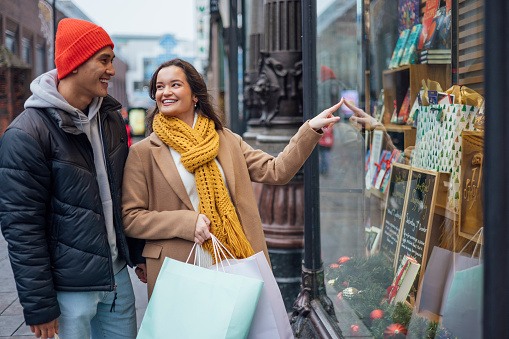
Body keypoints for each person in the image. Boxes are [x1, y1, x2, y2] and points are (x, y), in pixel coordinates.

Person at [121, 58, 344, 298]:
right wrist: (186, 223)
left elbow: (277, 170)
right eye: (159, 87)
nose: (165, 92)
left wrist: (310, 130)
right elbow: (131, 217)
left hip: (232, 259)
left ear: (196, 94)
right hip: (176, 266)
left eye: (175, 85)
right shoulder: (143, 152)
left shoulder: (226, 140)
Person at [0, 18, 140, 339]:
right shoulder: (26, 134)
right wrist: (39, 305)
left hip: (118, 281)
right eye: (103, 61)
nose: (112, 71)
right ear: (75, 64)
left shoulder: (112, 121)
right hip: (69, 292)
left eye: (112, 61)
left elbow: (123, 196)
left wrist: (138, 251)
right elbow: (22, 227)